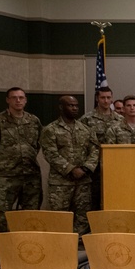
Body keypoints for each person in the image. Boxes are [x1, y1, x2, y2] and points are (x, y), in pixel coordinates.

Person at [40, 95, 99, 235]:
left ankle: (78, 247)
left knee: (82, 216)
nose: (74, 108)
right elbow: (50, 153)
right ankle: (60, 246)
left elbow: (95, 150)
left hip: (83, 181)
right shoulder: (51, 129)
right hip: (61, 183)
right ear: (61, 107)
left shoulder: (85, 129)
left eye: (76, 106)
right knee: (59, 217)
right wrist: (71, 169)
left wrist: (85, 168)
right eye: (70, 105)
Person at [0, 87, 42, 233]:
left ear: (25, 100)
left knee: (31, 212)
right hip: (5, 176)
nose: (18, 100)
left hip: (30, 174)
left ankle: (28, 242)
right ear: (7, 100)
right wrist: (5, 162)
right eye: (14, 97)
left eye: (21, 97)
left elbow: (37, 144)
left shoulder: (33, 120)